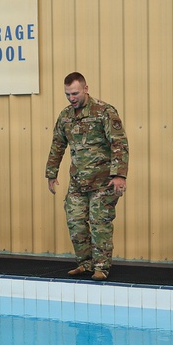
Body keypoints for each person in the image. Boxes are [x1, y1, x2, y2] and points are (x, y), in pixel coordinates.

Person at [45, 72, 129, 281]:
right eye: (67, 95)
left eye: (74, 93)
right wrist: (51, 173)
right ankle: (85, 263)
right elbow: (58, 144)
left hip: (103, 182)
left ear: (85, 88)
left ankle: (101, 266)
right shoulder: (65, 116)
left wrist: (119, 175)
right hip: (78, 182)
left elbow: (119, 143)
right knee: (76, 222)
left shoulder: (104, 112)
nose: (71, 98)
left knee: (100, 222)